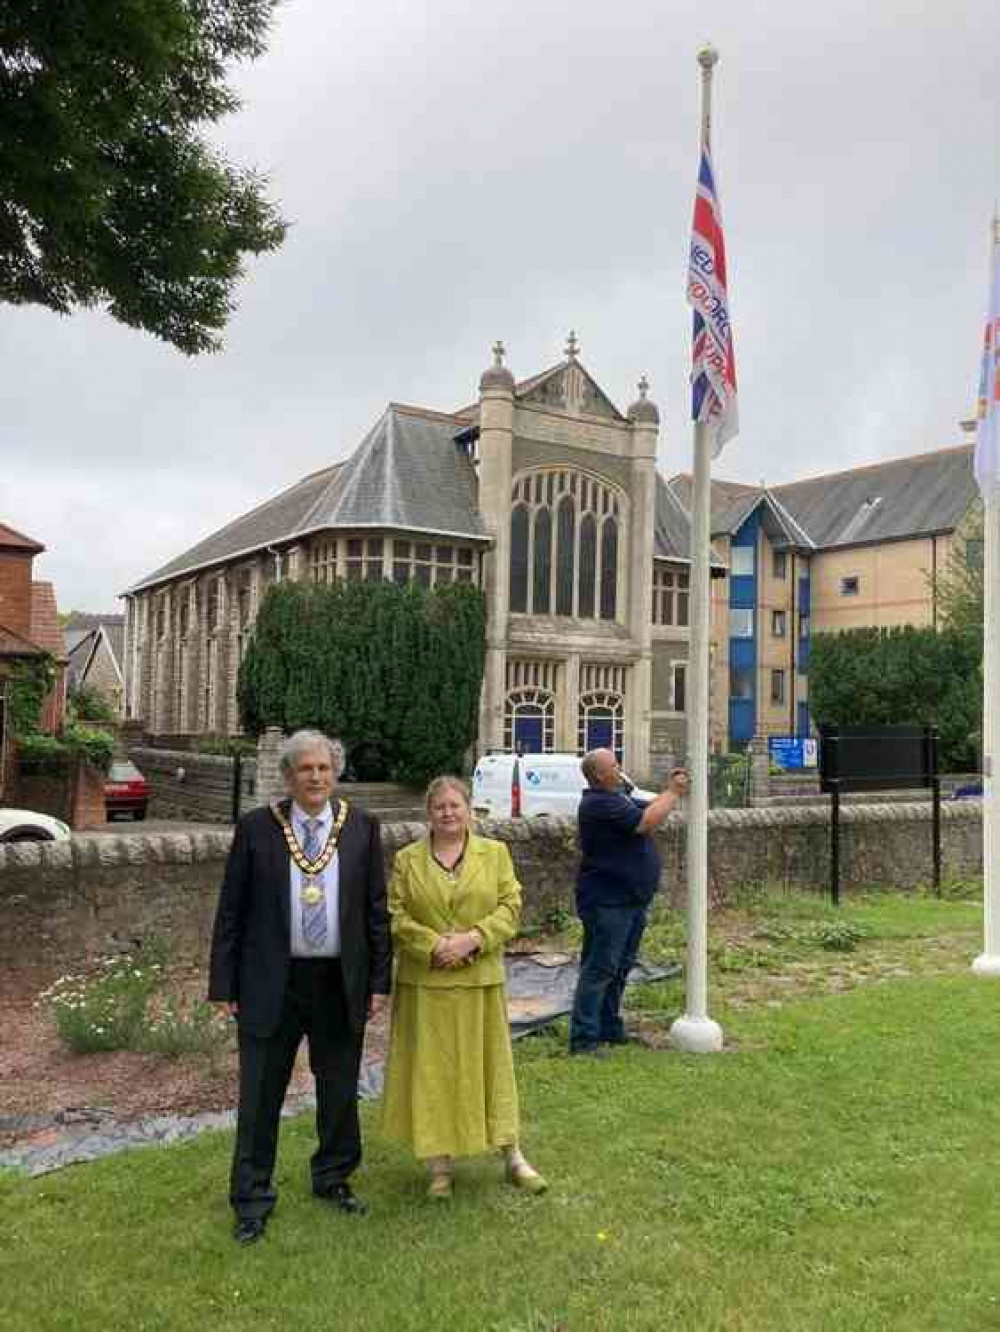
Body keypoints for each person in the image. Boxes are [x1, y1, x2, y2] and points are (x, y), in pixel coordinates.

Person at [208, 729, 391, 1244]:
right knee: (260, 1095)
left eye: (324, 769)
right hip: (271, 979)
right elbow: (231, 911)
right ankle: (251, 1199)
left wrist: (379, 980)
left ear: (336, 774)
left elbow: (376, 910)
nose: (315, 777)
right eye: (305, 769)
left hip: (339, 980)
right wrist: (224, 984)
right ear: (288, 777)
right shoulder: (256, 829)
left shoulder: (362, 828)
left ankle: (333, 1177)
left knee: (339, 1091)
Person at [381, 775, 546, 1199]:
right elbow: (397, 916)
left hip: (479, 980)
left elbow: (511, 906)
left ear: (469, 809)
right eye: (440, 807)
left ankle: (512, 1155)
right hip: (426, 982)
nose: (448, 813)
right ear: (428, 814)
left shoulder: (495, 854)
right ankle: (439, 1167)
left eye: (455, 805)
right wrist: (435, 945)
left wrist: (473, 938)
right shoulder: (407, 860)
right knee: (433, 1073)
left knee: (490, 1067)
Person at [569, 750, 689, 1057]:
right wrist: (674, 791)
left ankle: (609, 1027)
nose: (620, 768)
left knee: (620, 967)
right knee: (599, 969)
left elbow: (651, 808)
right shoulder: (598, 803)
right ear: (599, 775)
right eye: (613, 765)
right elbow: (645, 823)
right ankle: (583, 1039)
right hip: (608, 902)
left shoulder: (618, 797)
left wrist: (667, 791)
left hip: (630, 900)